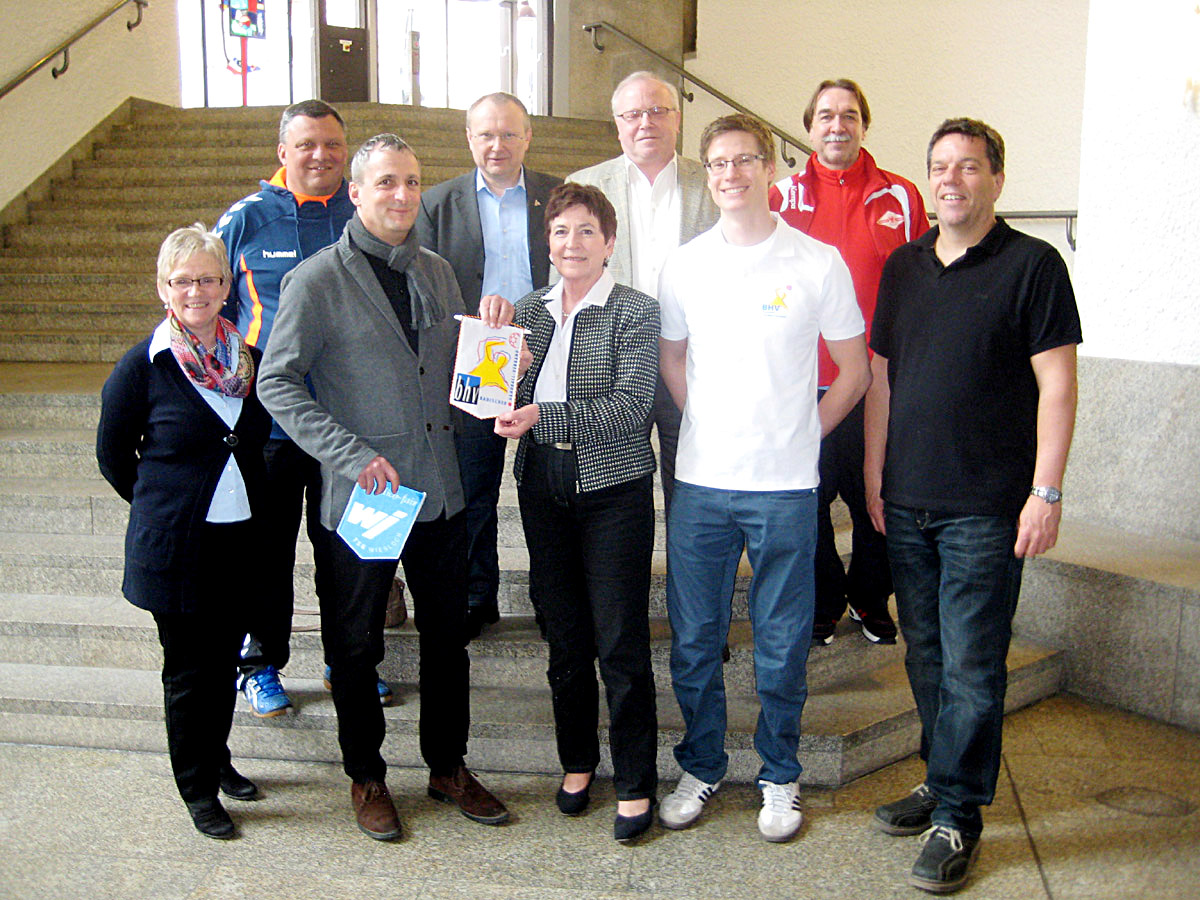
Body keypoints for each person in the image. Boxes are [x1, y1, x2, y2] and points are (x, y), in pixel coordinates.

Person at [257, 134, 512, 841]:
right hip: (367, 495)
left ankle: (447, 765)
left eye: (412, 182)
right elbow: (276, 380)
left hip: (439, 491)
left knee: (446, 639)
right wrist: (345, 452)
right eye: (387, 183)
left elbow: (464, 376)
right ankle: (365, 775)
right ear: (359, 193)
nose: (402, 195)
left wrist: (494, 336)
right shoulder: (316, 279)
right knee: (355, 642)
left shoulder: (436, 271)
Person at [864, 118, 1081, 894]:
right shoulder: (904, 266)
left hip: (987, 507)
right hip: (909, 498)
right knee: (923, 654)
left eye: (968, 167)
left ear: (996, 178)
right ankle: (939, 777)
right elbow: (883, 381)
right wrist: (873, 474)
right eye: (939, 167)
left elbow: (1057, 386)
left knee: (973, 663)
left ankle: (960, 813)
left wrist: (1044, 491)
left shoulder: (1034, 265)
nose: (951, 179)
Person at [656, 114, 870, 842]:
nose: (731, 174)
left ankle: (780, 774)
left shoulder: (816, 262)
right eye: (717, 163)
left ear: (771, 168)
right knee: (694, 638)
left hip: (784, 488)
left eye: (745, 160)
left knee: (781, 645)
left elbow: (855, 369)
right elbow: (674, 359)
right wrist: (710, 423)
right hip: (703, 485)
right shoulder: (685, 264)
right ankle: (703, 763)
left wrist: (803, 430)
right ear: (708, 174)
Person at [214, 99, 395, 715]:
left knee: (350, 549)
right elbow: (206, 303)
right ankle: (259, 663)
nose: (320, 156)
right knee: (265, 550)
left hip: (351, 418)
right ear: (282, 153)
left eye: (332, 145)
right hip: (270, 420)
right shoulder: (245, 220)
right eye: (307, 145)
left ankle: (351, 660)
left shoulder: (365, 211)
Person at [494, 183, 659, 843]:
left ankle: (638, 779)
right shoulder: (530, 310)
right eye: (560, 231)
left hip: (613, 488)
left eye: (586, 231)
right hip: (543, 485)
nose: (571, 243)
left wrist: (541, 413)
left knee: (619, 640)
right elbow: (500, 401)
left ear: (609, 241)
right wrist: (509, 367)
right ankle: (577, 761)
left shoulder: (635, 311)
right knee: (563, 636)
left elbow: (631, 408)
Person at [96, 224, 271, 839]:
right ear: (163, 289)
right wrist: (163, 508)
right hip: (175, 549)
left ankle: (217, 759)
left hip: (235, 543)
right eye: (182, 280)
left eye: (207, 278)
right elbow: (114, 456)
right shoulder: (144, 366)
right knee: (189, 672)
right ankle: (196, 788)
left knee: (223, 661)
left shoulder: (246, 360)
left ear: (227, 286)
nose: (196, 289)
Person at [769, 78, 929, 646]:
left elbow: (923, 285)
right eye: (827, 115)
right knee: (806, 500)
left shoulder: (902, 197)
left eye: (850, 115)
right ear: (810, 126)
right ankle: (823, 597)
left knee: (876, 498)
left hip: (878, 382)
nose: (838, 125)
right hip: (801, 382)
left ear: (864, 124)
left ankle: (868, 596)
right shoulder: (780, 196)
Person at [417, 92, 562, 638]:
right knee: (473, 485)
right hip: (473, 362)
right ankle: (477, 594)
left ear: (527, 137)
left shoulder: (556, 194)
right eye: (485, 134)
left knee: (550, 484)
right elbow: (426, 292)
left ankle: (554, 598)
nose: (496, 144)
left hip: (549, 354)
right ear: (469, 139)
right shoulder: (437, 204)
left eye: (508, 133)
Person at [566, 71, 718, 512]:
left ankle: (686, 578)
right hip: (610, 367)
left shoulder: (711, 184)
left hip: (691, 362)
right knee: (617, 495)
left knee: (689, 489)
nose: (645, 122)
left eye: (657, 111)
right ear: (617, 123)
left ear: (677, 119)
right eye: (633, 113)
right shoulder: (584, 187)